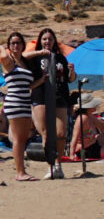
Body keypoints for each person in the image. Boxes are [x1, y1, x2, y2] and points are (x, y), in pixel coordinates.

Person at [28, 28, 72, 176]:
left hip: (59, 95)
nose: (47, 42)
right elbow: (21, 58)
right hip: (41, 96)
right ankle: (51, 166)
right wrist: (38, 53)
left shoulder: (61, 58)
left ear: (54, 42)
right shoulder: (34, 58)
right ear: (40, 41)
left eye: (50, 39)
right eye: (44, 39)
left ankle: (58, 163)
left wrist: (72, 72)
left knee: (60, 133)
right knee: (46, 133)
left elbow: (68, 79)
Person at [1, 33, 36, 181]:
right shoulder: (8, 61)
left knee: (22, 138)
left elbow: (28, 84)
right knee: (18, 139)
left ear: (23, 45)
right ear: (9, 46)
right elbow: (2, 55)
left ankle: (21, 170)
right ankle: (20, 172)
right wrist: (3, 46)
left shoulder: (23, 62)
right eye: (13, 43)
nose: (16, 46)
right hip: (14, 102)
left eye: (18, 43)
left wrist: (41, 80)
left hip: (24, 102)